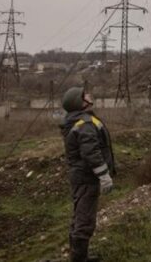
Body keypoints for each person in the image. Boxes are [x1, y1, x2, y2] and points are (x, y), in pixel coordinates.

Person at [60, 87, 116, 262]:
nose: (89, 95)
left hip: (80, 176)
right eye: (85, 95)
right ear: (80, 102)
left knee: (79, 215)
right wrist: (104, 175)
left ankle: (79, 256)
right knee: (85, 220)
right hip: (87, 177)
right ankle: (78, 259)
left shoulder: (76, 120)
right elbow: (91, 152)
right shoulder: (85, 123)